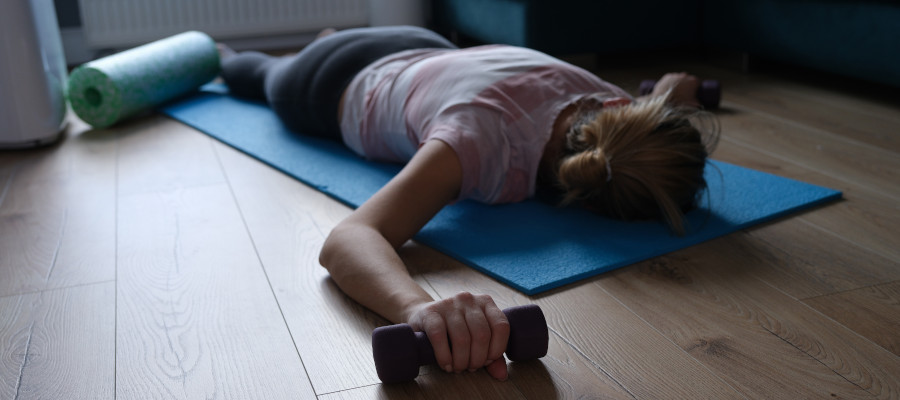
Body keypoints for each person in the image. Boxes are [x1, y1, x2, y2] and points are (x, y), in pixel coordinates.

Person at [220, 26, 719, 381]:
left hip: (426, 43)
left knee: (326, 47)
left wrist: (674, 92)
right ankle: (222, 53)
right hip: (331, 81)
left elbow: (656, 107)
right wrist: (417, 308)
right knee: (260, 72)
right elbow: (348, 239)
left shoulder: (604, 98)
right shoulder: (479, 139)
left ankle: (330, 34)